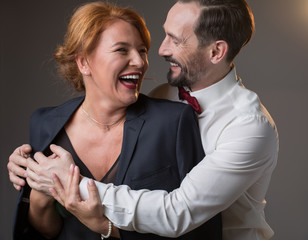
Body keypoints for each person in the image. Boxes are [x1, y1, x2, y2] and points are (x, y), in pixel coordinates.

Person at [8, 0, 279, 239]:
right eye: (164, 36)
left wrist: (66, 184)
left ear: (216, 52)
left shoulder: (250, 125)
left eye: (176, 40)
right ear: (83, 62)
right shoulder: (162, 96)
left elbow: (177, 212)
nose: (158, 52)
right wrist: (29, 173)